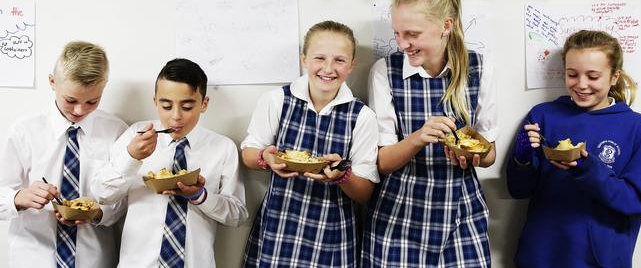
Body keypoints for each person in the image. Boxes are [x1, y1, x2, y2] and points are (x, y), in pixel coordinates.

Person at [362, 0, 498, 267]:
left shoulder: (479, 68)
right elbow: (382, 162)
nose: (402, 44)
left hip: (461, 209)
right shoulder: (384, 72)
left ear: (446, 26)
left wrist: (472, 152)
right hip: (399, 213)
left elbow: (490, 156)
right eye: (397, 33)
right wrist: (418, 138)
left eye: (412, 34)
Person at [241, 21, 379, 267]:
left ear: (351, 65)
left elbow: (364, 192)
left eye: (339, 60)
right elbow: (249, 154)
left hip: (334, 232)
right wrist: (266, 158)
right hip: (279, 223)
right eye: (319, 58)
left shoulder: (362, 117)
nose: (328, 68)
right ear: (304, 58)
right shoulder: (276, 101)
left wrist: (342, 175)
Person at [507, 30, 641, 268]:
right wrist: (522, 159)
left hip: (601, 260)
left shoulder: (638, 128)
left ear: (614, 77)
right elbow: (518, 190)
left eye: (593, 76)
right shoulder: (542, 116)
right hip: (540, 255)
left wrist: (587, 168)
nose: (581, 85)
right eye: (572, 74)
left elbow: (637, 203)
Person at [92, 58, 248, 267]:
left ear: (204, 104)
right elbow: (102, 194)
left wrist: (201, 196)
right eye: (166, 106)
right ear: (155, 101)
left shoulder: (223, 148)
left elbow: (237, 215)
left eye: (187, 106)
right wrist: (132, 158)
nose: (176, 117)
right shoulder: (135, 136)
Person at [0, 41, 127, 268]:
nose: (79, 111)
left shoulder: (116, 132)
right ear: (52, 82)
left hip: (94, 260)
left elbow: (123, 203)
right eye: (71, 100)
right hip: (32, 258)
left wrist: (97, 213)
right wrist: (18, 198)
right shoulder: (24, 131)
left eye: (92, 101)